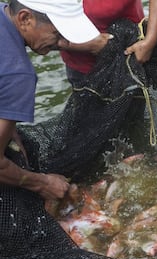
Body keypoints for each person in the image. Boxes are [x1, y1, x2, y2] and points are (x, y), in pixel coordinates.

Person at [0, 0, 100, 200]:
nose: (61, 42)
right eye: (56, 33)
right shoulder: (19, 75)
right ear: (25, 19)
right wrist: (41, 183)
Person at [58, 0, 157, 87]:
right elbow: (43, 35)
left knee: (134, 108)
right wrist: (91, 45)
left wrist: (150, 41)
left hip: (131, 56)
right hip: (83, 66)